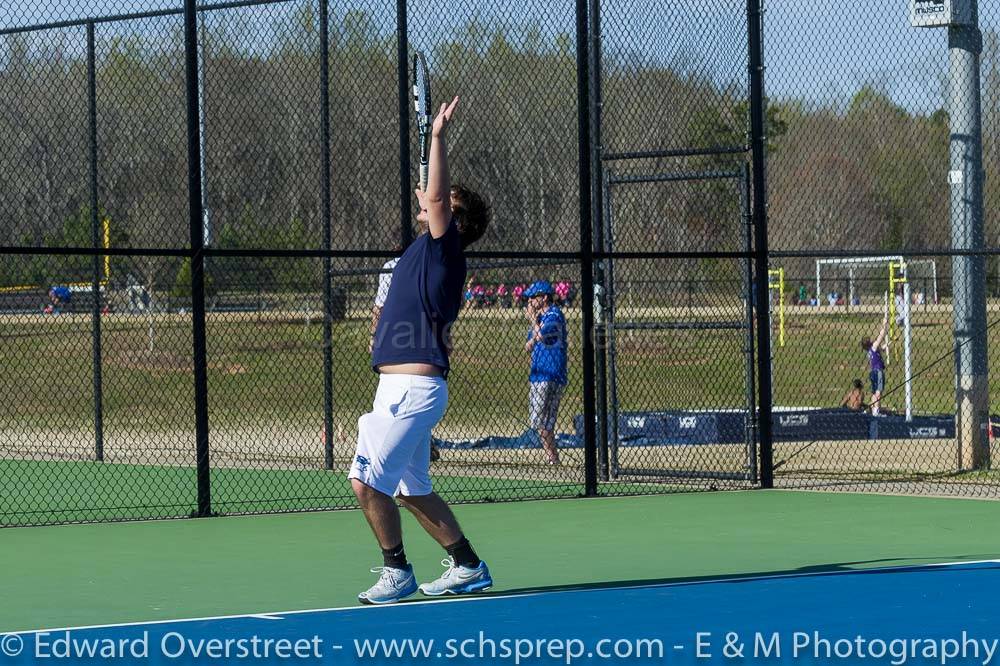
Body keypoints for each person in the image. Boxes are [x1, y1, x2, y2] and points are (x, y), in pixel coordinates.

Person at [349, 96, 493, 605]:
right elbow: (429, 203)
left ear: (453, 218)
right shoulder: (421, 252)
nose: (431, 199)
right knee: (411, 489)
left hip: (413, 389)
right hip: (397, 386)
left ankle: (397, 571)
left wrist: (436, 138)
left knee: (367, 485)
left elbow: (434, 204)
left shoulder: (444, 249)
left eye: (441, 200)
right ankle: (468, 564)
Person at [524, 280, 568, 465]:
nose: (529, 302)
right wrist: (535, 327)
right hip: (538, 373)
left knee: (544, 420)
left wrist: (534, 322)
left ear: (544, 298)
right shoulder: (541, 319)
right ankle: (552, 457)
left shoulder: (554, 315)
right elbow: (528, 346)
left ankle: (553, 458)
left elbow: (541, 336)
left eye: (533, 297)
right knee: (538, 420)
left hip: (551, 373)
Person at [860, 312, 889, 415]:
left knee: (874, 392)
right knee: (878, 392)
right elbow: (881, 335)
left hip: (873, 372)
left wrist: (888, 344)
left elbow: (881, 348)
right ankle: (876, 412)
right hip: (878, 371)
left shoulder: (870, 351)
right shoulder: (873, 347)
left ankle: (874, 411)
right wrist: (885, 324)